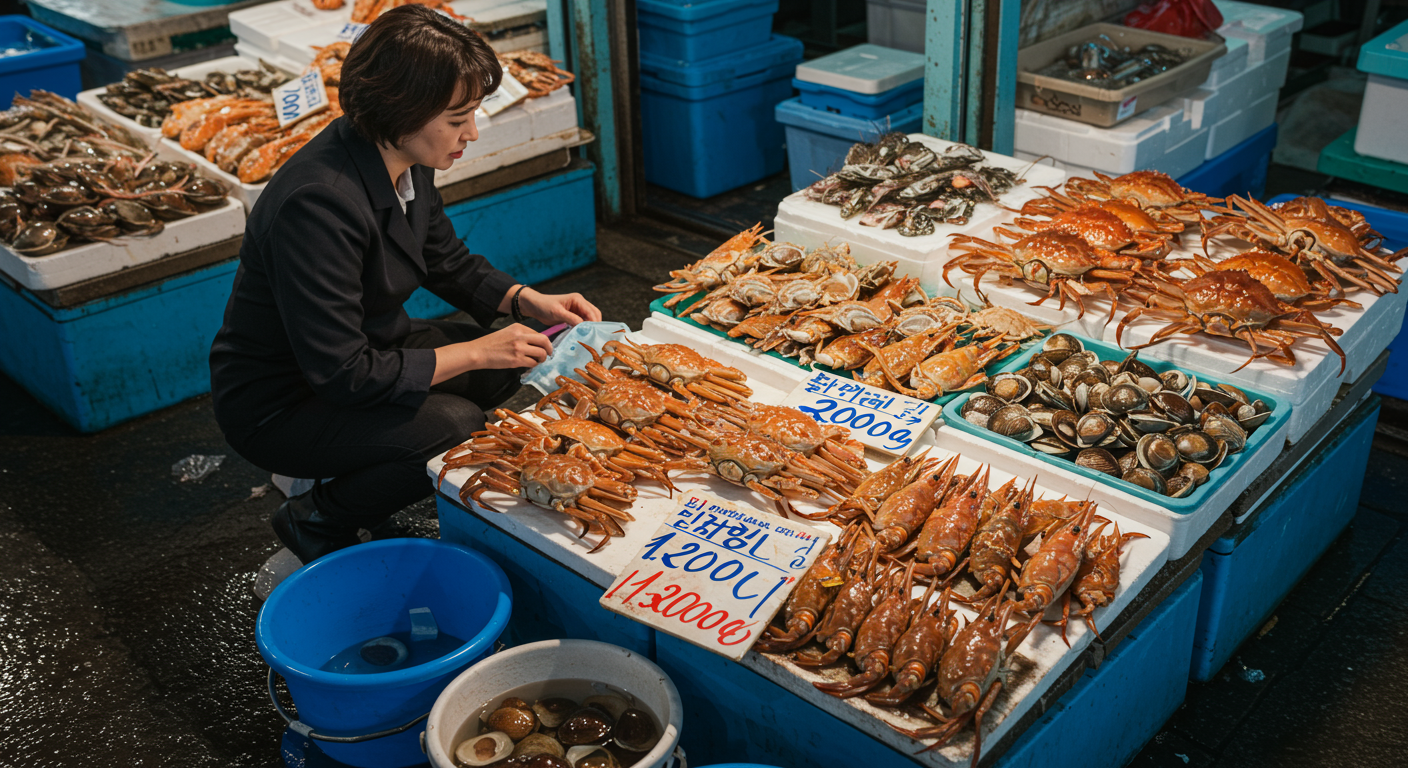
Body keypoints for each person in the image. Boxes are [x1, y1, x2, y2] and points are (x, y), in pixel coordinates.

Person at [209, 5, 600, 572]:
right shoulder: (317, 203)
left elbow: (446, 260)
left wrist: (526, 300)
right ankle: (317, 515)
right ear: (400, 109)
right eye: (457, 118)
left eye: (474, 112)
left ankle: (373, 470)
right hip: (284, 397)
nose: (472, 132)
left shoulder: (403, 157)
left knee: (506, 361)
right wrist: (474, 349)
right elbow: (343, 372)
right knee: (454, 424)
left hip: (368, 348)